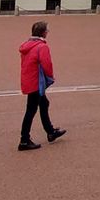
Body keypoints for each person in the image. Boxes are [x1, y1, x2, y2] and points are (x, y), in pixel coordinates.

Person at [17, 20, 67, 150]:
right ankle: (24, 140)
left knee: (44, 103)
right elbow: (47, 64)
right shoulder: (42, 47)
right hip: (36, 82)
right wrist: (50, 77)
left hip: (29, 79)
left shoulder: (27, 45)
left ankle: (50, 131)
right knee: (31, 110)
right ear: (43, 33)